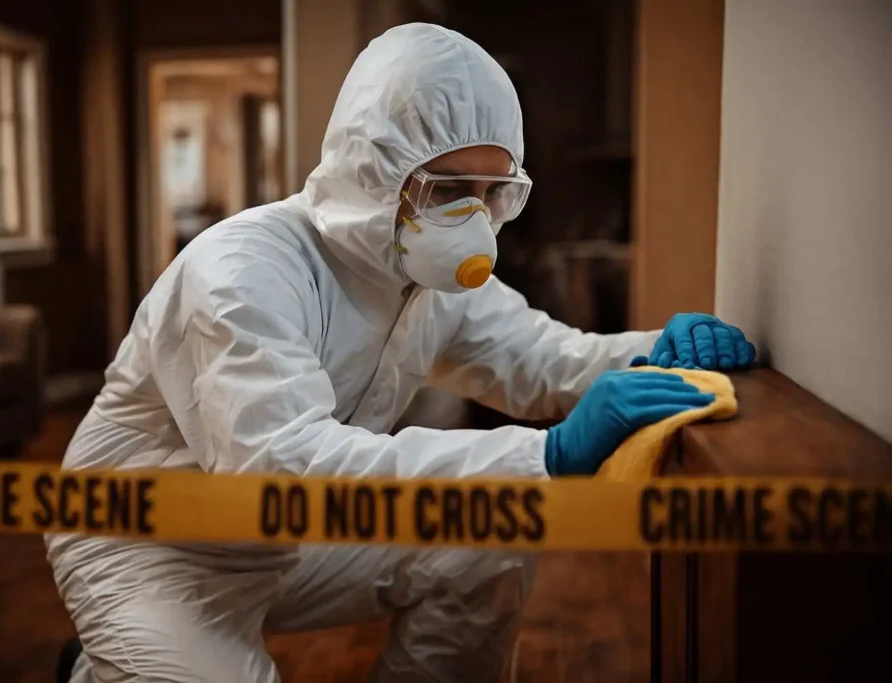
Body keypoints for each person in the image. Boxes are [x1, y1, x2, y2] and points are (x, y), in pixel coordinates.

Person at [47, 22, 755, 683]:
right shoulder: (245, 269)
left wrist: (657, 353)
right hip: (149, 545)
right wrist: (545, 455)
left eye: (491, 192)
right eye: (449, 189)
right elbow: (279, 465)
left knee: (489, 536)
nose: (471, 220)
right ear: (376, 168)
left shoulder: (422, 272)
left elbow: (540, 357)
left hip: (290, 535)